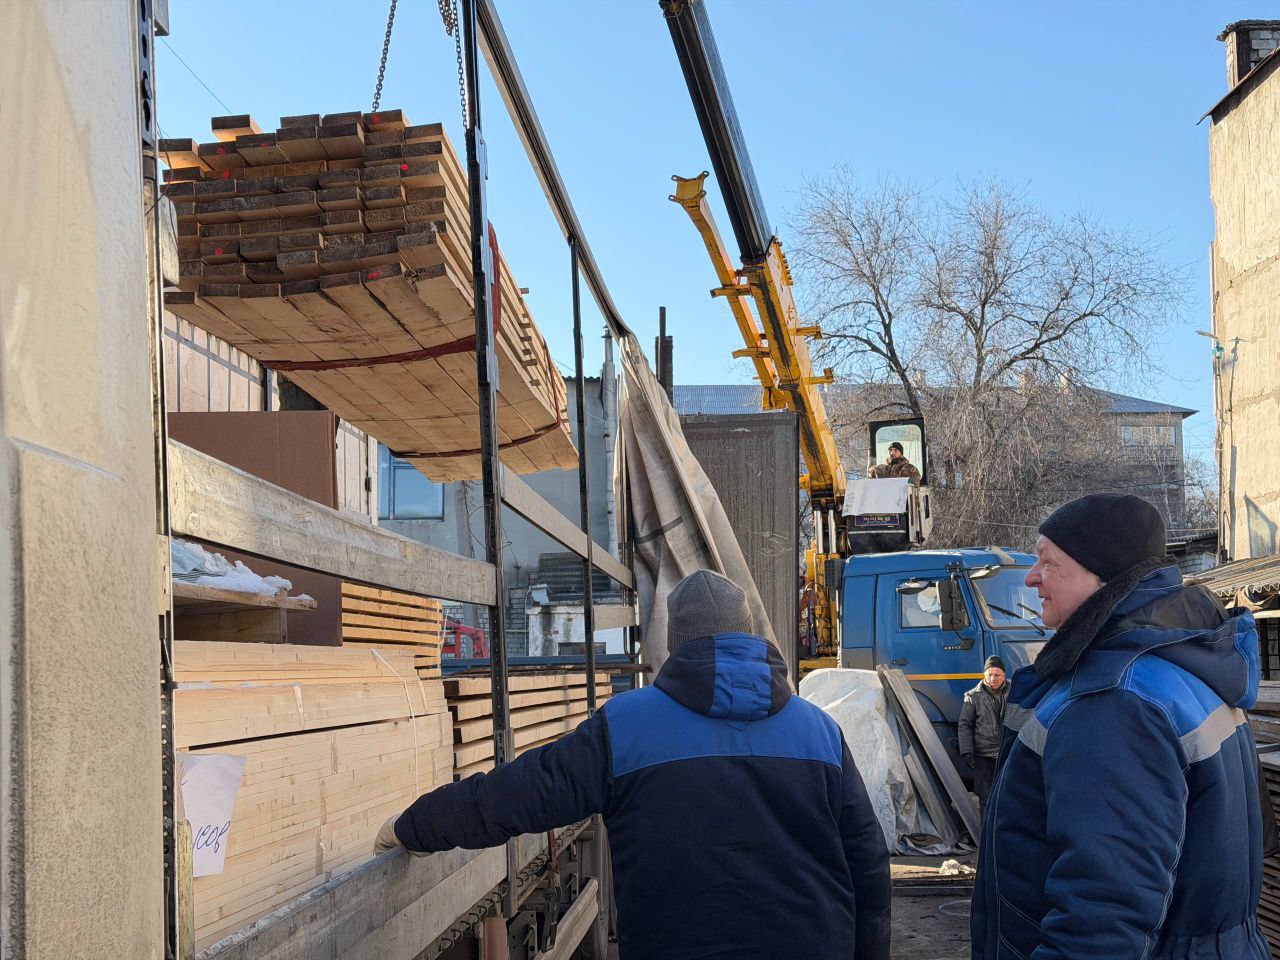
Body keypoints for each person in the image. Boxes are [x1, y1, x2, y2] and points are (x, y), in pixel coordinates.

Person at [375, 569, 892, 960]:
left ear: (673, 643)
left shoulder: (626, 727)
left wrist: (412, 826)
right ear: (751, 634)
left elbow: (515, 796)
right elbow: (869, 866)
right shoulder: (819, 732)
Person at [971, 494, 1268, 959]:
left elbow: (1101, 920)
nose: (1031, 577)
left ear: (1101, 575)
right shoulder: (1182, 666)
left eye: (1048, 562)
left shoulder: (1113, 701)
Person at [958, 655, 1009, 819]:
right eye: (990, 675)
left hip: (1007, 753)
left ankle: (1003, 831)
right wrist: (967, 751)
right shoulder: (973, 696)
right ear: (984, 675)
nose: (993, 679)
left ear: (1004, 676)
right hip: (983, 756)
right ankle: (986, 831)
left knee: (1008, 795)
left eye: (997, 675)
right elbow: (965, 724)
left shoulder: (1014, 693)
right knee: (985, 797)